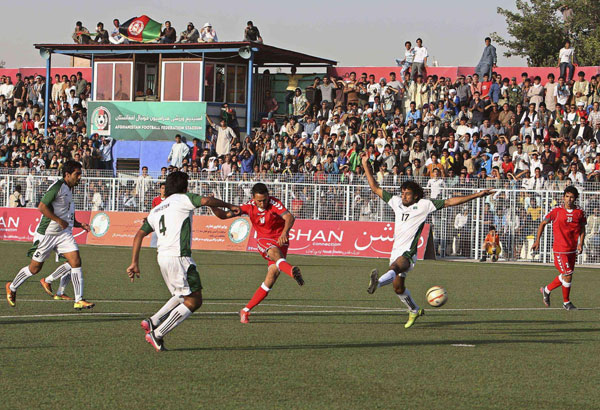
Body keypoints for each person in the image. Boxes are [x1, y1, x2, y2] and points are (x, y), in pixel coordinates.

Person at [362, 152, 493, 328]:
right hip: (395, 251)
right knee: (398, 288)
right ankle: (414, 310)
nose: (404, 196)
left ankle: (377, 284)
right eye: (402, 193)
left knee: (394, 268)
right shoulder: (396, 202)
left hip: (409, 253)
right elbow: (375, 188)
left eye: (407, 194)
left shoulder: (423, 205)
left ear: (416, 195)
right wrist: (365, 165)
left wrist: (476, 195)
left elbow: (450, 202)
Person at [127, 171, 239, 351]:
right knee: (194, 301)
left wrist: (134, 262)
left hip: (162, 258)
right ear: (185, 187)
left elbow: (139, 234)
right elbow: (207, 201)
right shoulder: (183, 198)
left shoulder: (157, 209)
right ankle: (157, 333)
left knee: (181, 295)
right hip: (179, 257)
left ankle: (153, 321)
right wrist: (230, 205)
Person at [6, 161, 94, 310]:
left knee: (75, 261)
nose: (79, 177)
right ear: (67, 175)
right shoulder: (57, 187)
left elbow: (66, 216)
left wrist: (80, 224)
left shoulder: (68, 189)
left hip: (63, 234)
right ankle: (12, 286)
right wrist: (59, 220)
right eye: (76, 174)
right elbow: (42, 207)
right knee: (34, 268)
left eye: (80, 174)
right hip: (47, 234)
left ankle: (78, 299)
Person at [211, 183, 304, 324]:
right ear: (253, 198)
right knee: (274, 253)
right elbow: (223, 216)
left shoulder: (274, 203)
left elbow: (289, 217)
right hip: (264, 241)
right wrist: (212, 205)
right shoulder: (248, 207)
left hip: (281, 240)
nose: (263, 203)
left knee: (270, 278)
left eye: (265, 199)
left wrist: (285, 232)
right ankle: (291, 271)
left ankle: (245, 310)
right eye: (259, 200)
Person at [532, 186, 586, 310]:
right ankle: (566, 302)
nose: (569, 199)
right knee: (567, 274)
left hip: (572, 249)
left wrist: (580, 243)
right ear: (563, 197)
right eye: (567, 196)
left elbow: (583, 228)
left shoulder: (580, 213)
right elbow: (543, 223)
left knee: (567, 275)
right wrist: (537, 241)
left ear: (575, 198)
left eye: (572, 197)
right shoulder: (556, 211)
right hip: (560, 250)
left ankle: (546, 290)